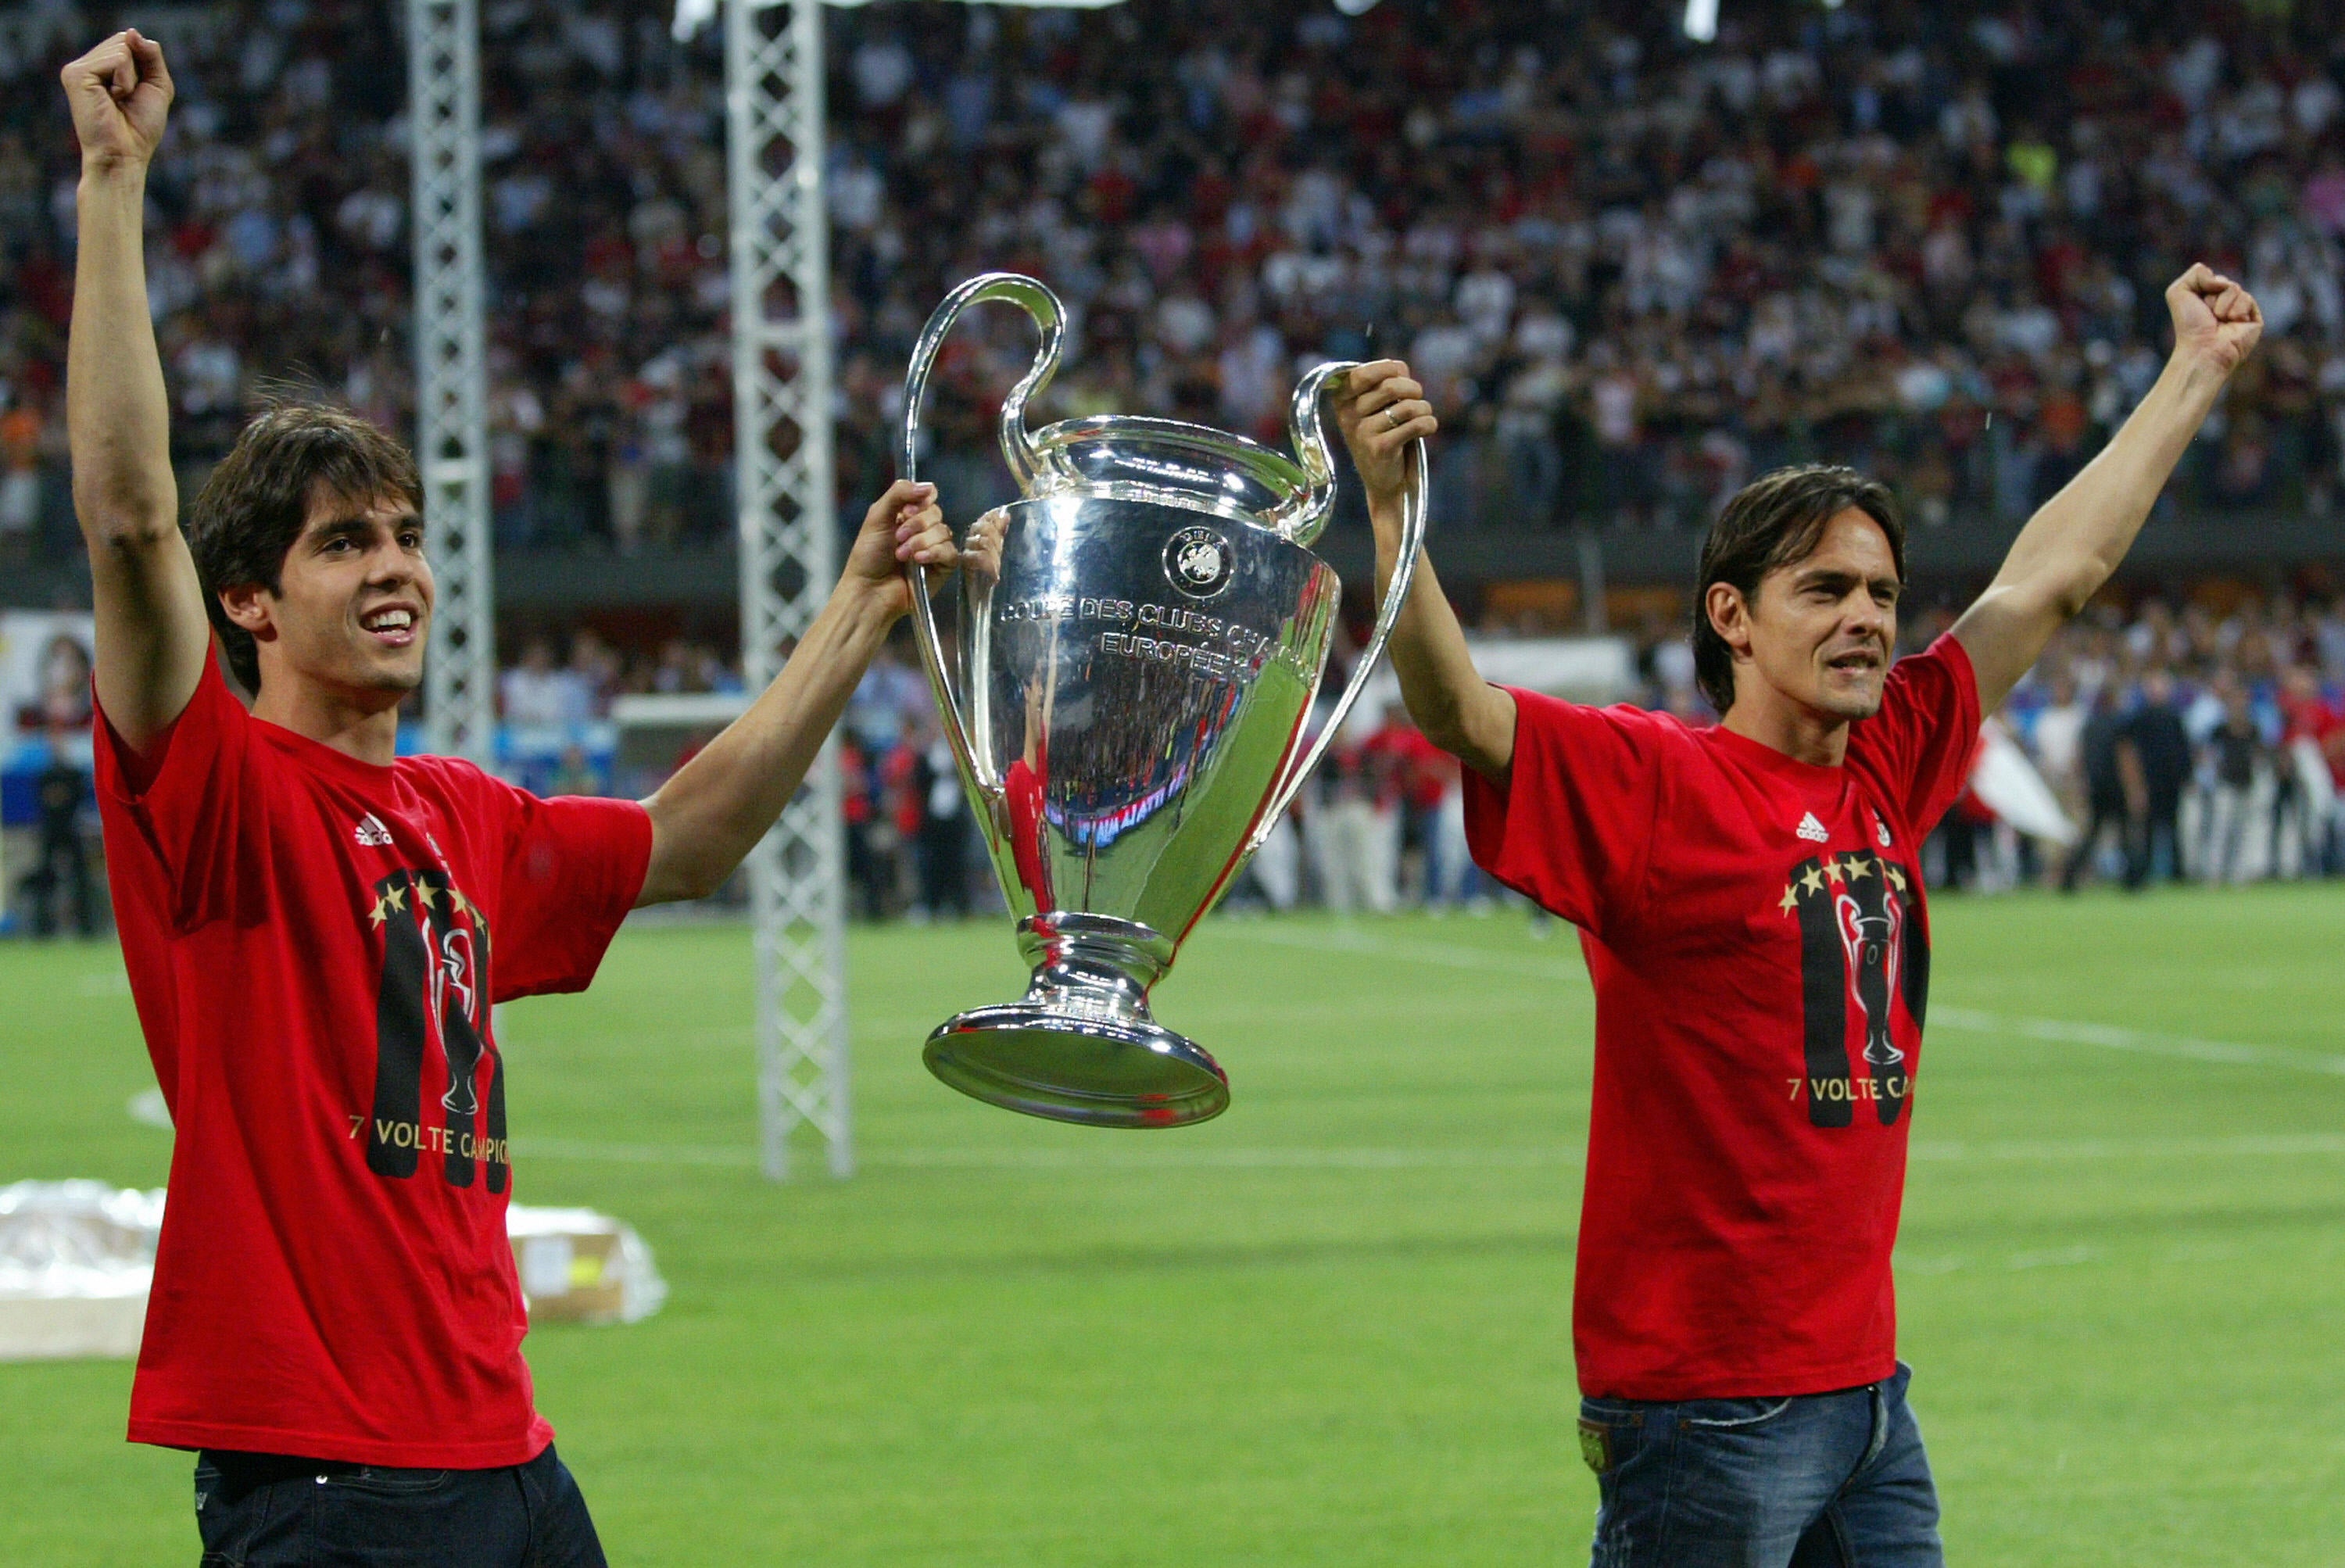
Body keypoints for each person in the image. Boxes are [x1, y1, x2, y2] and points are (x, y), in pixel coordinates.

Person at [59, 31, 960, 1568]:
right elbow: (134, 516)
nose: (399, 565)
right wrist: (115, 183)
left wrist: (859, 613)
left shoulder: (460, 813)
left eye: (406, 533)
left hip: (511, 1455)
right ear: (250, 605)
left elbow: (689, 839)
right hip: (329, 1484)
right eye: (346, 543)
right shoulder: (210, 789)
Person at [1334, 254, 2261, 1565]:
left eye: (1881, 592)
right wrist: (1396, 515)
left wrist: (2193, 374)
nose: (1868, 619)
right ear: (1735, 618)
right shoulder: (1659, 780)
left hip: (1870, 1400)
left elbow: (2053, 575)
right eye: (1825, 591)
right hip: (1707, 1409)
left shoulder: (1890, 756)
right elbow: (1464, 714)